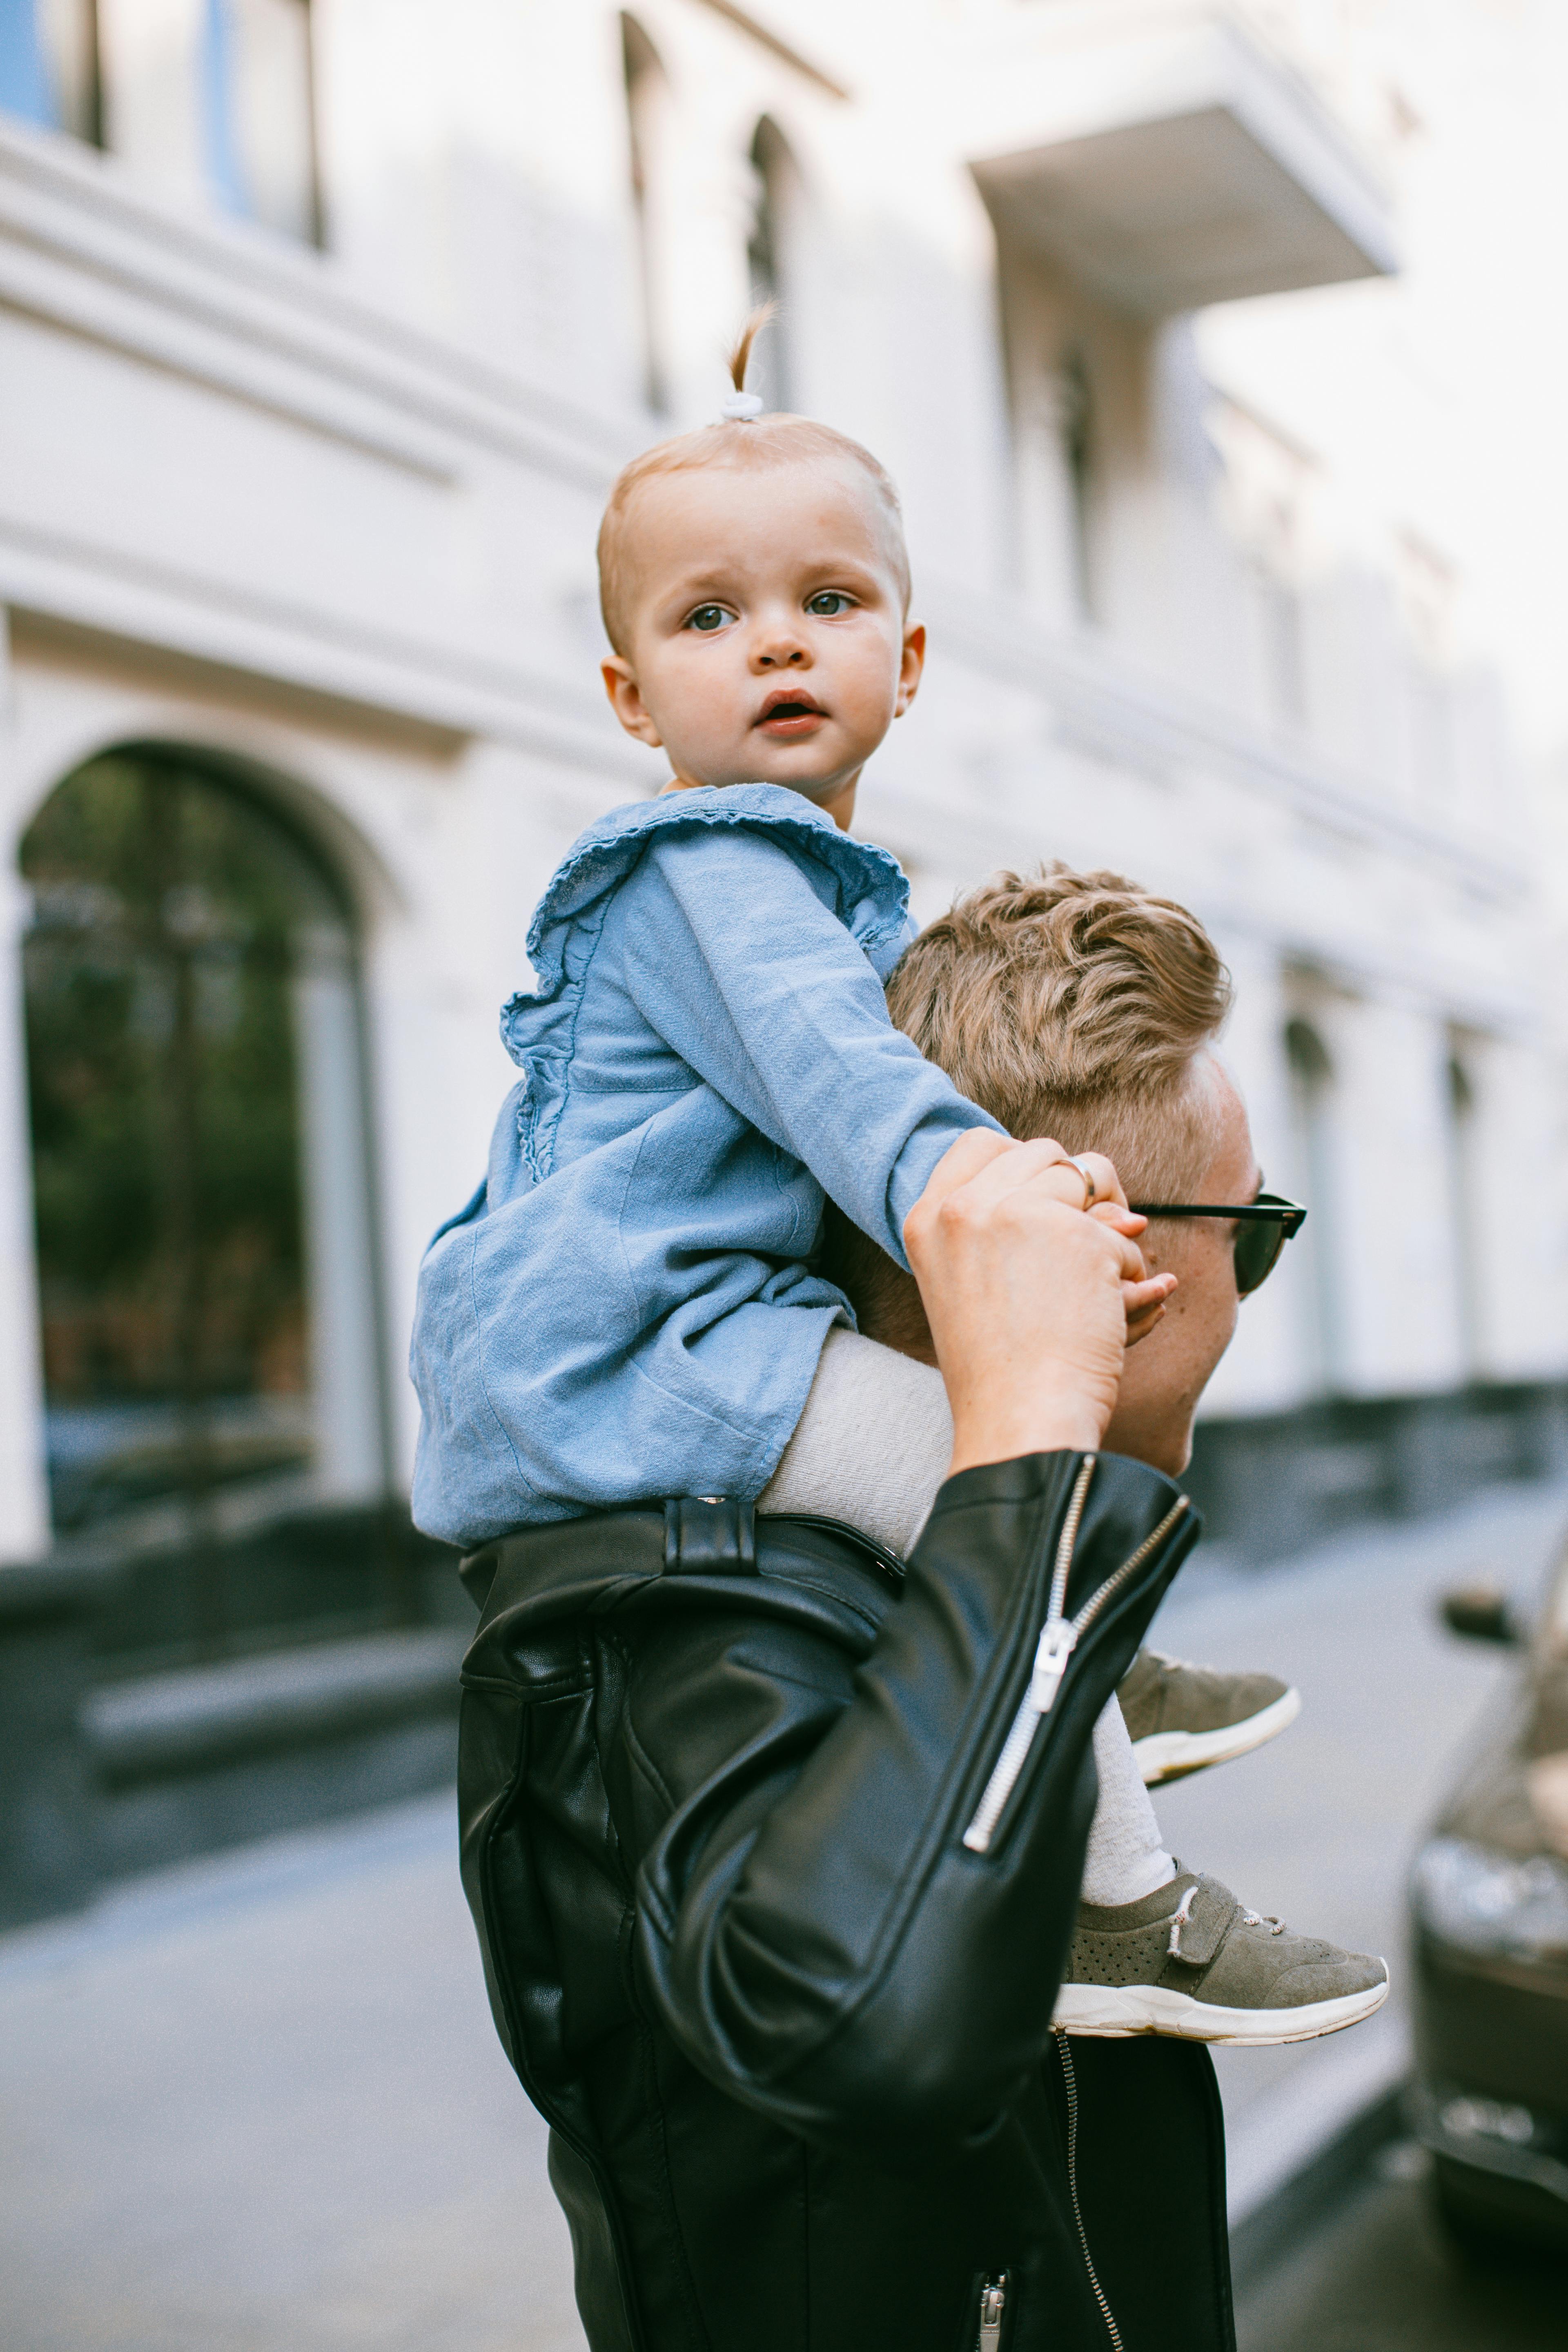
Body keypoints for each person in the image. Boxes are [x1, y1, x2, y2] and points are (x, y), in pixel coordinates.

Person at [410, 319, 1307, 1978]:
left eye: (827, 603)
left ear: (909, 658)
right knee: (982, 1473)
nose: (775, 648)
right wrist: (1000, 1193)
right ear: (628, 695)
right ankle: (1128, 1915)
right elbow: (858, 1102)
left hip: (675, 1339)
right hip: (627, 1362)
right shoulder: (711, 871)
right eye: (708, 617)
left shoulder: (807, 886)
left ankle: (1079, 1668)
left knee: (985, 1477)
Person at [804, 865, 1389, 2040]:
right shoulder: (731, 1635)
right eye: (1258, 1235)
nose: (1250, 1297)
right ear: (1116, 1260)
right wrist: (1034, 1442)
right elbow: (846, 2046)